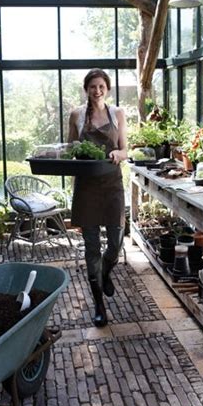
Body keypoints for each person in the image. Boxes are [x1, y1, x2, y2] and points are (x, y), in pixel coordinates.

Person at [68, 69, 128, 327]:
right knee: (92, 248)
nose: (97, 90)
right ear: (87, 89)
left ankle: (105, 270)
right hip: (87, 188)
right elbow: (70, 147)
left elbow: (127, 149)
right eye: (92, 86)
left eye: (101, 85)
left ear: (108, 88)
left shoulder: (118, 114)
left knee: (115, 243)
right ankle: (99, 306)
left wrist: (118, 154)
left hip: (112, 186)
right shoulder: (76, 115)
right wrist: (67, 154)